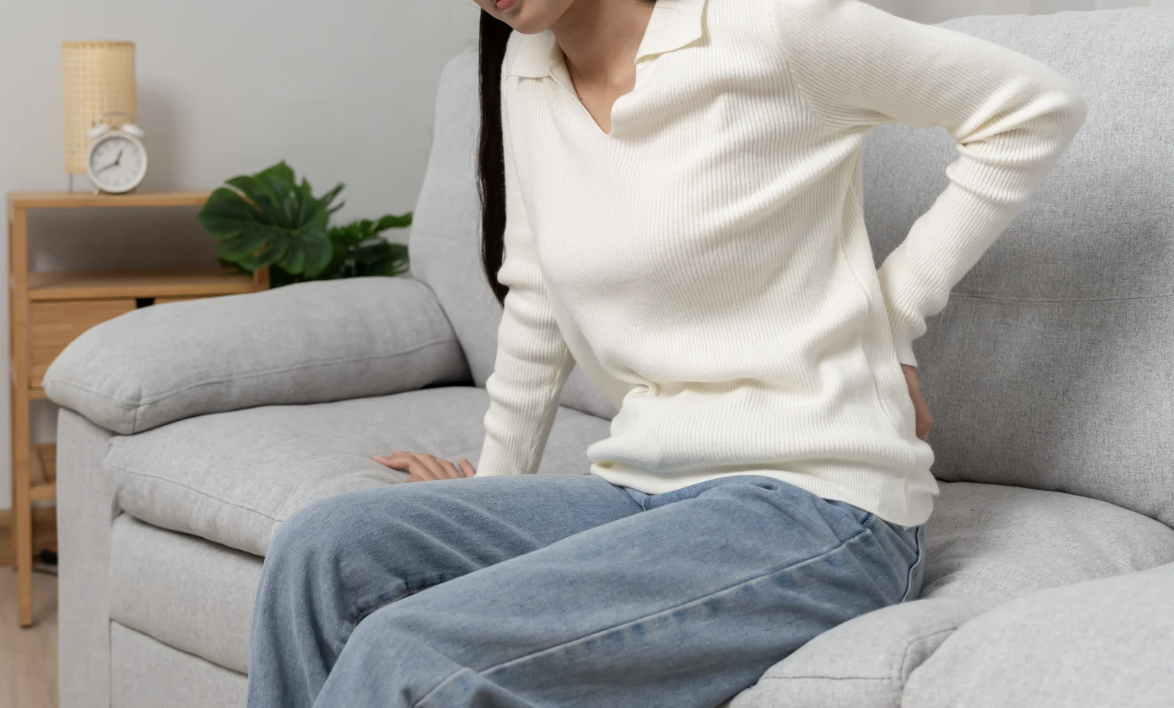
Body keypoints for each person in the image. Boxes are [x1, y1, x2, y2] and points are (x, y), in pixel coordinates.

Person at [246, 0, 1086, 706]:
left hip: (821, 507)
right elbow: (536, 295)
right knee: (324, 548)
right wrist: (492, 489)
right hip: (646, 487)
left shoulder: (770, 27)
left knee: (411, 651)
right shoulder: (527, 67)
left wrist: (891, 319)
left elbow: (1031, 107)